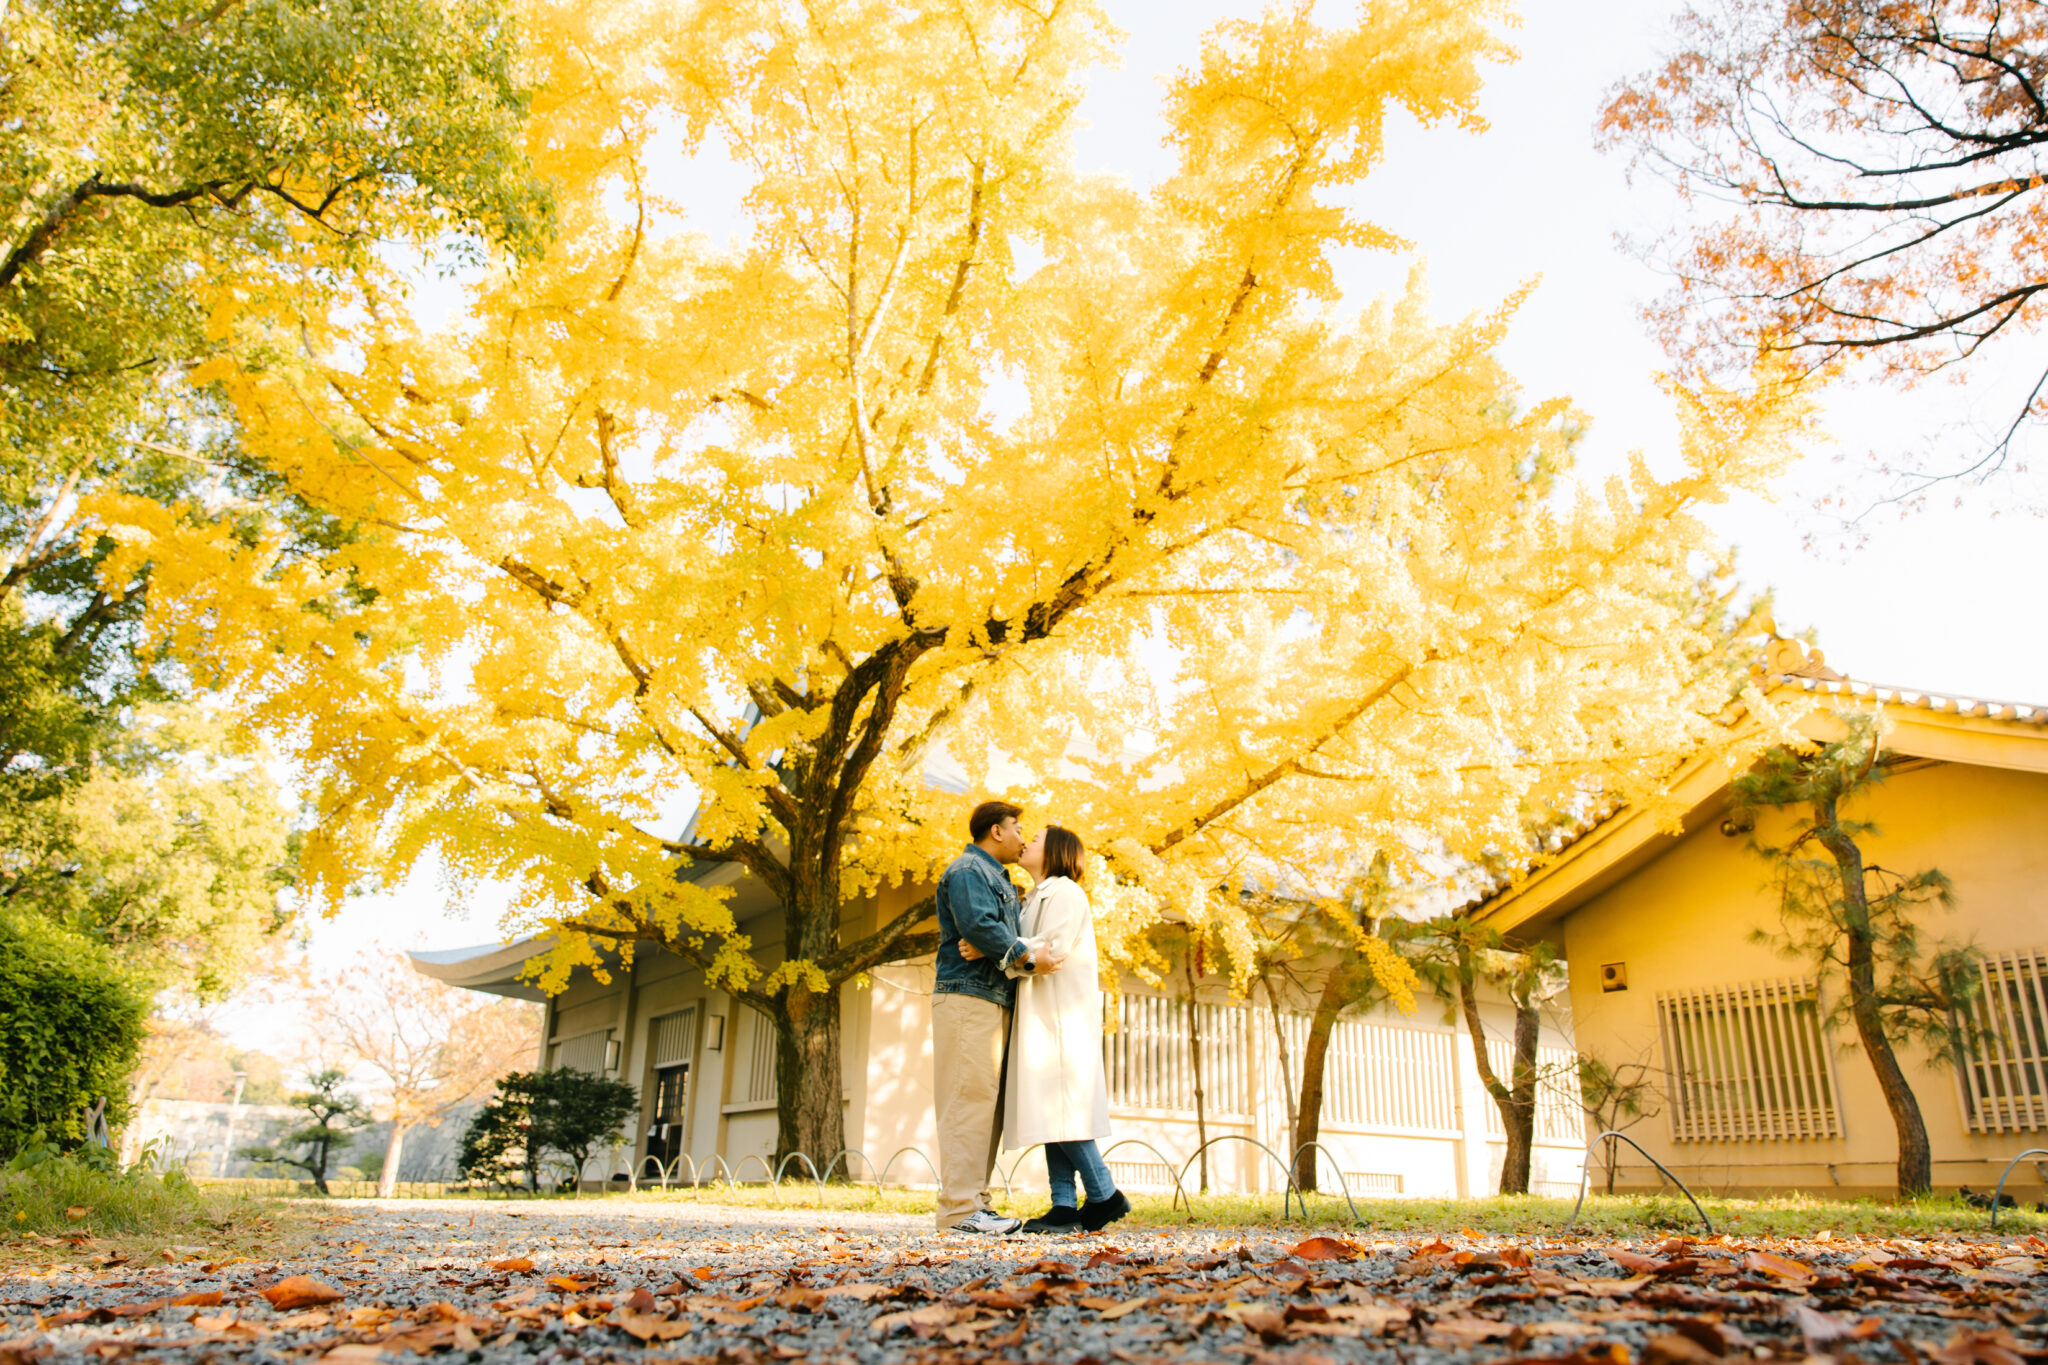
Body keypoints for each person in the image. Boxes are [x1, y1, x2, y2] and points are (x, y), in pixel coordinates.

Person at [964, 823, 1129, 1233]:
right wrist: (998, 947)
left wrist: (991, 948)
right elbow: (1023, 948)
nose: (1026, 843)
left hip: (1060, 1015)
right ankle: (1063, 1205)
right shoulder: (1033, 898)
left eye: (1034, 839)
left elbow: (1050, 951)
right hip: (1040, 1011)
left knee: (1061, 1109)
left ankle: (1104, 1194)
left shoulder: (1066, 893)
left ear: (1055, 851)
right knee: (1050, 1110)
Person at [930, 800, 1068, 1235]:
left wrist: (1000, 944)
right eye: (1017, 827)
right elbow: (982, 927)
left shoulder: (997, 878)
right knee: (967, 1101)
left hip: (989, 997)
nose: (1023, 836)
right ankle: (959, 1211)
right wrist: (1027, 957)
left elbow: (989, 934)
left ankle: (974, 1205)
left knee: (983, 1107)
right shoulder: (970, 871)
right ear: (996, 832)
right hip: (968, 999)